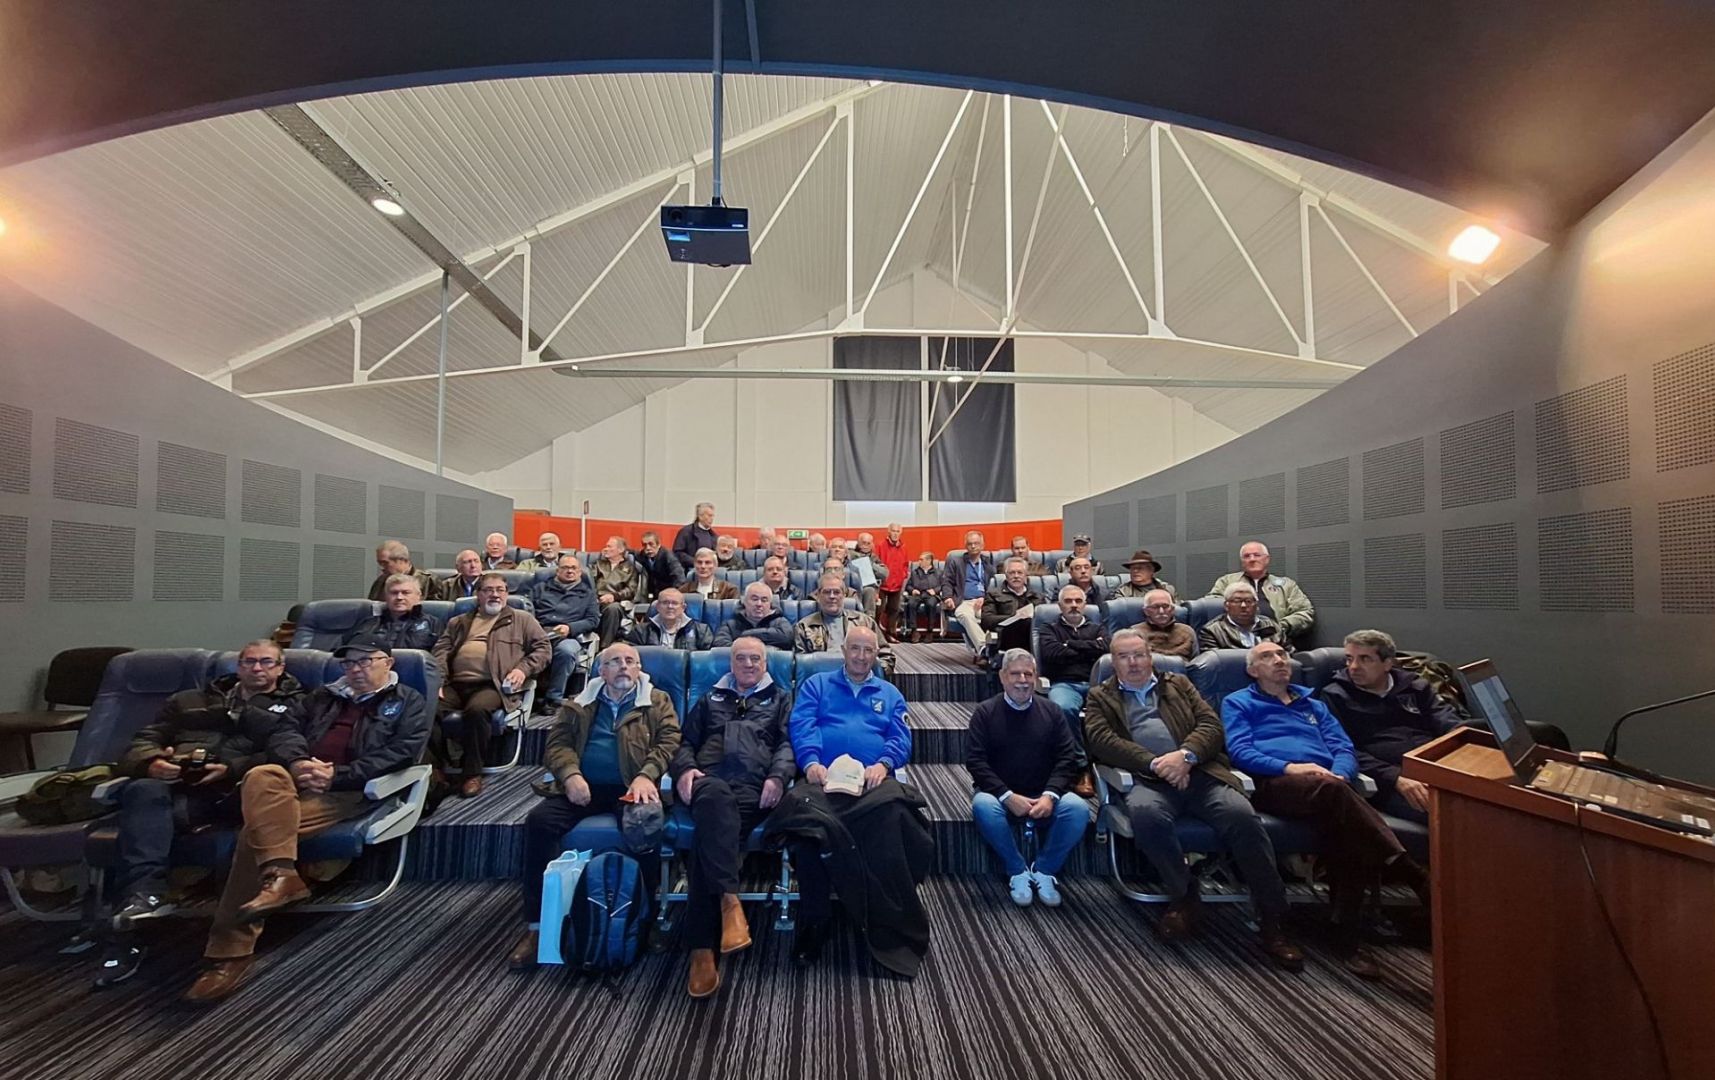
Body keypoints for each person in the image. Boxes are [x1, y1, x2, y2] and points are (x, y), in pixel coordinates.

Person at [183, 637, 430, 1003]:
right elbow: (284, 732)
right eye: (348, 663)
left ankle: (229, 953)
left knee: (256, 834)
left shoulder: (407, 701)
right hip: (295, 780)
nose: (355, 669)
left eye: (365, 661)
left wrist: (337, 775)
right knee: (261, 774)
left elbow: (402, 753)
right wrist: (298, 763)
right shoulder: (321, 696)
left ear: (388, 663)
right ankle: (282, 874)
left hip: (346, 790)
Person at [1083, 630, 1304, 970]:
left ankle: (1273, 918)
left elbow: (1211, 727)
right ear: (1113, 662)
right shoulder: (1101, 696)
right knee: (1146, 815)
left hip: (1201, 774)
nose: (1133, 663)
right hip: (1148, 779)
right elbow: (1102, 741)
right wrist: (1156, 764)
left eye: (1139, 655)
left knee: (1242, 817)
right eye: (1124, 657)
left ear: (1150, 657)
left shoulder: (1179, 684)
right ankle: (1184, 896)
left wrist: (1185, 756)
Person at [1223, 641, 1429, 977]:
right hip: (1276, 783)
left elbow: (1343, 747)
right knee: (1341, 804)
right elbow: (1240, 752)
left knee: (1347, 829)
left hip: (1330, 787)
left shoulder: (1314, 705)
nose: (1278, 660)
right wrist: (1291, 768)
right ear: (1252, 670)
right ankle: (1405, 871)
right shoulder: (1239, 702)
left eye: (1282, 655)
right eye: (1267, 657)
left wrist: (1341, 774)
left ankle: (1346, 931)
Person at [104, 640, 305, 973]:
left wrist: (230, 768)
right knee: (142, 790)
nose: (257, 668)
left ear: (281, 668)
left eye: (267, 662)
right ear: (238, 666)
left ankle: (141, 925)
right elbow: (144, 740)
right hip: (179, 788)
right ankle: (144, 896)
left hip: (234, 790)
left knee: (152, 821)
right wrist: (151, 762)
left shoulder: (294, 705)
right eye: (249, 661)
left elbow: (286, 752)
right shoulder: (189, 701)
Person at [507, 642, 681, 971]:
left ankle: (644, 919)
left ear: (639, 668)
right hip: (582, 787)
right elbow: (557, 746)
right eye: (615, 661)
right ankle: (537, 926)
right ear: (602, 670)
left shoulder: (656, 701)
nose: (624, 666)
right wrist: (570, 775)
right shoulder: (579, 704)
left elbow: (669, 741)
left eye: (630, 661)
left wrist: (647, 775)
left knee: (645, 822)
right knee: (539, 822)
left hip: (631, 785)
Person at [776, 627, 926, 972]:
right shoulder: (817, 685)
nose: (861, 656)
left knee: (896, 821)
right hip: (823, 779)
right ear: (843, 651)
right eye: (855, 649)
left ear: (876, 655)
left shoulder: (890, 693)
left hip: (873, 782)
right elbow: (802, 726)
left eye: (868, 650)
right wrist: (811, 762)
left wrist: (884, 763)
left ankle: (884, 921)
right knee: (808, 831)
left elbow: (900, 738)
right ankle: (815, 921)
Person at [671, 637, 794, 997]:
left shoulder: (780, 699)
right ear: (731, 663)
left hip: (754, 788)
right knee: (715, 800)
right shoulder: (710, 698)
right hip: (708, 782)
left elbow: (788, 744)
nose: (748, 664)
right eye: (741, 658)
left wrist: (778, 777)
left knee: (707, 841)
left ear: (765, 664)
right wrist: (685, 770)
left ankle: (702, 948)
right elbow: (684, 743)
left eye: (755, 658)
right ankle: (728, 901)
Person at [966, 650, 1087, 908]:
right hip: (1000, 794)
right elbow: (976, 762)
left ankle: (1044, 870)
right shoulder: (985, 713)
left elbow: (1067, 758)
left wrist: (1050, 795)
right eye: (1015, 674)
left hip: (1044, 793)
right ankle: (1017, 870)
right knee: (982, 806)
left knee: (1078, 808)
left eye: (1028, 674)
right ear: (1002, 677)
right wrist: (1007, 796)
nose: (1022, 680)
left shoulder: (1053, 711)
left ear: (1036, 677)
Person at [1316, 629, 1461, 826]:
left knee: (1487, 799)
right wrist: (1396, 778)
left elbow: (1445, 721)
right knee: (1453, 816)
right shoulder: (1335, 696)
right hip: (1388, 780)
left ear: (1387, 663)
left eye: (1365, 659)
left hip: (1433, 764)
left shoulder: (1414, 686)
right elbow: (1344, 749)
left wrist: (1462, 741)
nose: (1354, 667)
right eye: (1349, 659)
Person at [430, 574, 551, 798]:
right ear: (478, 595)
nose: (495, 594)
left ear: (507, 594)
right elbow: (440, 652)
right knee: (428, 708)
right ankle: (436, 769)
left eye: (500, 590)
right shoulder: (459, 622)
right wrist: (438, 679)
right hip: (454, 683)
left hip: (493, 684)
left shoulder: (522, 620)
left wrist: (522, 669)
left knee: (477, 710)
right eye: (488, 590)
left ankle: (471, 774)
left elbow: (543, 649)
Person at [530, 554, 601, 713]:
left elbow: (593, 620)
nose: (570, 571)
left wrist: (570, 628)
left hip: (568, 635)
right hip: (540, 631)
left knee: (566, 651)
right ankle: (524, 695)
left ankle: (553, 699)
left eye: (574, 568)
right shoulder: (540, 588)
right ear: (557, 571)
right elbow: (528, 612)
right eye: (565, 568)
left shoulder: (587, 594)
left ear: (579, 572)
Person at [1208, 541, 1315, 647]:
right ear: (1242, 561)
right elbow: (1212, 608)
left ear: (1267, 559)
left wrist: (1279, 627)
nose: (1252, 559)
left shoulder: (1286, 585)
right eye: (1247, 556)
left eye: (1257, 555)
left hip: (1276, 642)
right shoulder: (1226, 581)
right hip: (1234, 642)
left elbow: (1305, 612)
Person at [793, 571, 894, 676]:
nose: (832, 596)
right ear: (818, 595)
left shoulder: (865, 622)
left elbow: (887, 657)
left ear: (844, 595)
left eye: (836, 592)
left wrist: (873, 675)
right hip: (821, 680)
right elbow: (801, 666)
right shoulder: (804, 626)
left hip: (860, 679)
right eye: (827, 592)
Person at [1038, 584, 1108, 723]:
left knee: (1117, 708)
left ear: (1085, 605)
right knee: (1064, 708)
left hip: (1097, 683)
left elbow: (1106, 649)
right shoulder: (1049, 628)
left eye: (1078, 601)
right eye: (1068, 601)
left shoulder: (1098, 628)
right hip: (1064, 684)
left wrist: (1070, 644)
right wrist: (1091, 648)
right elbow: (1051, 653)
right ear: (1060, 606)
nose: (1074, 605)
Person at [348, 574, 441, 652]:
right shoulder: (369, 623)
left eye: (406, 593)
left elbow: (439, 656)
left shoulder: (433, 623)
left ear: (419, 597)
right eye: (394, 593)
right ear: (385, 597)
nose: (399, 597)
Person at [940, 531, 996, 658]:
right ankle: (984, 648)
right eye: (970, 544)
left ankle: (997, 649)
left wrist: (986, 598)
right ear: (966, 546)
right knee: (964, 615)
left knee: (995, 617)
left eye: (976, 543)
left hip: (985, 602)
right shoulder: (956, 561)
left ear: (982, 545)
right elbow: (947, 581)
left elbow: (995, 585)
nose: (973, 546)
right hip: (964, 601)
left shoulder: (988, 564)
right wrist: (947, 597)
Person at [978, 556, 1043, 662]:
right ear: (1006, 575)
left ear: (1026, 575)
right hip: (1005, 635)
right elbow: (986, 620)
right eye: (1012, 573)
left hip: (1030, 634)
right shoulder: (993, 594)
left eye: (1020, 573)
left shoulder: (1036, 597)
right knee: (1024, 623)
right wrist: (1013, 617)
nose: (1016, 576)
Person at [1197, 581, 1282, 651]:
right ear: (1226, 606)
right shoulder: (1212, 631)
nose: (1243, 605)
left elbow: (1287, 654)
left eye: (1248, 601)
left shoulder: (1271, 626)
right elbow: (1216, 662)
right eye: (1237, 601)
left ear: (1256, 605)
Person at [591, 535, 642, 647]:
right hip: (596, 600)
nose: (605, 549)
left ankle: (605, 647)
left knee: (613, 608)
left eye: (609, 546)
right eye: (606, 546)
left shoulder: (630, 568)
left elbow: (631, 590)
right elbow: (590, 582)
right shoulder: (598, 564)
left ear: (620, 550)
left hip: (616, 602)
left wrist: (614, 596)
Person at [627, 587, 713, 650]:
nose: (670, 607)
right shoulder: (640, 631)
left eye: (675, 603)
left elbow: (707, 661)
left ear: (683, 607)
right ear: (657, 606)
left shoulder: (701, 631)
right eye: (665, 602)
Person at [713, 582, 794, 649]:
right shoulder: (731, 625)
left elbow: (788, 639)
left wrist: (745, 636)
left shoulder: (780, 622)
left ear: (770, 604)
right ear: (744, 601)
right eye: (754, 599)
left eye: (764, 600)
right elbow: (720, 645)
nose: (759, 604)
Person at [1131, 588, 1196, 659]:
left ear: (1172, 609)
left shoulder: (1187, 631)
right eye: (1155, 607)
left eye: (1165, 606)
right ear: (1146, 611)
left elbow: (1196, 661)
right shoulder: (1135, 633)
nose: (1161, 611)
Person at [368, 541, 438, 602]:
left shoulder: (428, 581)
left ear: (402, 560)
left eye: (385, 563)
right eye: (380, 563)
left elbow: (436, 610)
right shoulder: (381, 581)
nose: (381, 568)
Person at [875, 522, 911, 642]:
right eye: (893, 531)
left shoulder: (904, 547)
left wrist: (903, 575)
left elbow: (906, 564)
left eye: (898, 531)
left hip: (897, 584)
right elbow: (876, 563)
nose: (895, 534)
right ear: (889, 532)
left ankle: (891, 634)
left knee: (894, 610)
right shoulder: (880, 545)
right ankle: (877, 634)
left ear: (901, 533)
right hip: (882, 585)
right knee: (879, 609)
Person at [902, 551, 942, 643]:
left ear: (929, 561)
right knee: (911, 604)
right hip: (918, 594)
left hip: (931, 595)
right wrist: (912, 590)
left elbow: (943, 585)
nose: (919, 561)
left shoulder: (938, 573)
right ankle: (914, 631)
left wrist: (935, 590)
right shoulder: (915, 572)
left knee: (931, 604)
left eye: (921, 559)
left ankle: (930, 631)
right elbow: (908, 586)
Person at [848, 532, 890, 619]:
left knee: (870, 592)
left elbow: (885, 574)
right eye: (863, 543)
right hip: (852, 588)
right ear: (858, 542)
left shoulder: (874, 558)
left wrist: (869, 563)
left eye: (868, 543)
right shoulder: (849, 555)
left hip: (869, 590)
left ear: (872, 545)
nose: (865, 546)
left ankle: (869, 620)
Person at [636, 530, 685, 599]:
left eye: (651, 544)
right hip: (652, 594)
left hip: (668, 593)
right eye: (644, 545)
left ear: (658, 545)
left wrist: (673, 594)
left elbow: (679, 577)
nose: (648, 548)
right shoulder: (642, 556)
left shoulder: (668, 556)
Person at [672, 502, 719, 570]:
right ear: (700, 516)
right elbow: (678, 553)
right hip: (689, 568)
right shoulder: (686, 532)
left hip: (709, 569)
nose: (712, 518)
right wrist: (696, 562)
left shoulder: (713, 535)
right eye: (709, 515)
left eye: (712, 516)